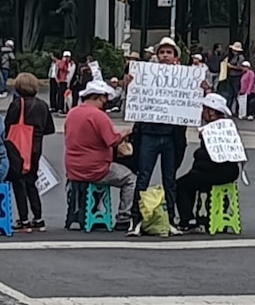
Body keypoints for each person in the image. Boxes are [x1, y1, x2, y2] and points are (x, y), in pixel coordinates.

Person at [127, 36, 193, 237]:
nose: (165, 56)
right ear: (157, 55)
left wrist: (200, 90)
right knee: (143, 177)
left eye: (169, 52)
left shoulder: (183, 77)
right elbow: (132, 97)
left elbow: (191, 100)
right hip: (148, 134)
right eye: (162, 52)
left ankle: (170, 219)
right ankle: (136, 220)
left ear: (175, 57)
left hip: (171, 137)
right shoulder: (145, 74)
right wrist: (128, 83)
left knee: (169, 180)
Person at [63, 80, 136, 231]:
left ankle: (82, 212)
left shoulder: (72, 113)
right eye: (105, 98)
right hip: (95, 169)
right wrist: (126, 133)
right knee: (130, 179)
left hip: (72, 168)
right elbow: (112, 141)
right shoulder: (99, 116)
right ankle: (124, 217)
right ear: (100, 97)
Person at [176, 93, 240, 232]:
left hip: (215, 172)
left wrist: (196, 156)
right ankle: (215, 215)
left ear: (211, 112)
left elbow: (209, 156)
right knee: (193, 179)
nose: (202, 112)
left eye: (205, 109)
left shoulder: (211, 130)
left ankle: (188, 219)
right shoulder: (228, 127)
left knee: (182, 185)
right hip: (231, 172)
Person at [5, 71, 55, 232]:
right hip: (36, 147)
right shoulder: (43, 105)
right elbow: (50, 128)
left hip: (18, 148)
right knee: (32, 182)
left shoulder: (17, 105)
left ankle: (23, 219)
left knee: (18, 183)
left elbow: (8, 126)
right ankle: (38, 218)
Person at [224, 42, 245, 113]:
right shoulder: (232, 57)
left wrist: (231, 66)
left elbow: (240, 68)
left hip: (236, 77)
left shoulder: (240, 57)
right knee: (230, 94)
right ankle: (228, 109)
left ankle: (238, 110)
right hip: (231, 76)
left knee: (236, 94)